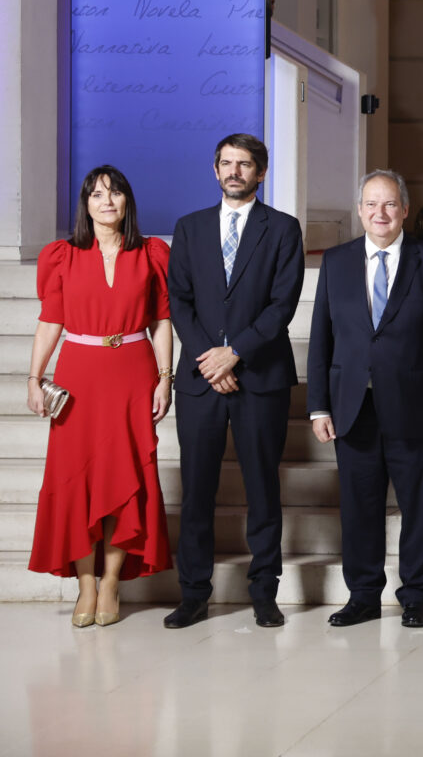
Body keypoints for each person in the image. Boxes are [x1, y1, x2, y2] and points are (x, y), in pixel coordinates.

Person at [306, 170, 423, 628]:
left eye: (390, 204)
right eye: (372, 204)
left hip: (416, 407)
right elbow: (322, 339)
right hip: (351, 407)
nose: (380, 213)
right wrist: (319, 405)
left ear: (405, 210)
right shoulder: (335, 262)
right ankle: (363, 595)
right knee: (359, 507)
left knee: (420, 506)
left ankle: (415, 595)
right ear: (359, 210)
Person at [165, 135, 304, 629]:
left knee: (262, 488)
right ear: (215, 170)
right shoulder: (189, 227)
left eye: (244, 164)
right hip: (201, 380)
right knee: (196, 490)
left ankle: (264, 592)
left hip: (259, 377)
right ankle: (194, 593)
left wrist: (235, 353)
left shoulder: (283, 229)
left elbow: (282, 306)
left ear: (260, 173)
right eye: (226, 163)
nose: (234, 171)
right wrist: (210, 360)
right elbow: (178, 300)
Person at [26, 166, 173, 626]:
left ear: (127, 201)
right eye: (95, 194)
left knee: (122, 476)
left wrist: (165, 377)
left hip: (132, 371)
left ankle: (110, 583)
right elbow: (51, 320)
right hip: (78, 375)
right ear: (85, 205)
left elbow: (162, 320)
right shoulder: (62, 256)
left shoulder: (152, 253)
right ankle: (84, 585)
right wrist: (35, 377)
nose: (105, 201)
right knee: (76, 480)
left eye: (114, 193)